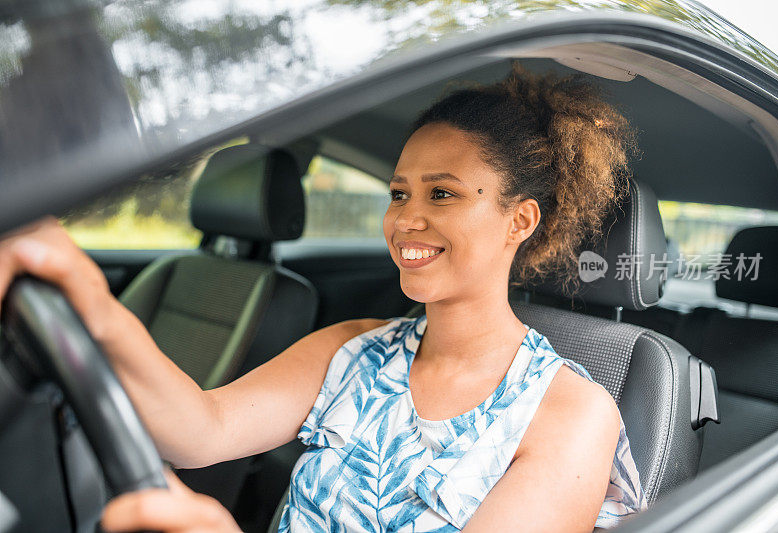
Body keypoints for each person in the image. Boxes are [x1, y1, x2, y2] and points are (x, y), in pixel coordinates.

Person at [0, 62, 646, 532]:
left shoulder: (572, 415)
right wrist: (92, 304)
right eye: (398, 194)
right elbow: (203, 428)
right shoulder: (353, 348)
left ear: (520, 220)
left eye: (441, 193)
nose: (405, 220)